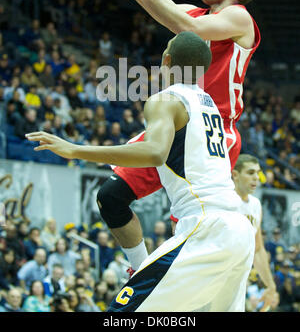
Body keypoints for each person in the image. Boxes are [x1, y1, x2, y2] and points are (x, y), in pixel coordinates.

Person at [26, 32, 255, 311]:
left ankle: (139, 268)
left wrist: (76, 150)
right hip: (240, 232)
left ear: (166, 60)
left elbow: (155, 152)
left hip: (206, 227)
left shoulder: (165, 100)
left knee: (120, 314)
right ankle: (141, 267)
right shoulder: (209, 106)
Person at [103, 0, 261, 270]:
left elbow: (182, 22)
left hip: (212, 129)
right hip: (177, 120)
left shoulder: (240, 17)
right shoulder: (197, 15)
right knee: (111, 197)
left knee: (191, 228)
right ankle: (139, 271)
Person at [232, 154, 280, 311]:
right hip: (213, 278)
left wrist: (270, 286)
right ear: (235, 175)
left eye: (258, 173)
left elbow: (258, 249)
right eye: (250, 172)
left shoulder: (255, 204)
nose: (256, 178)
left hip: (237, 282)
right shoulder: (223, 200)